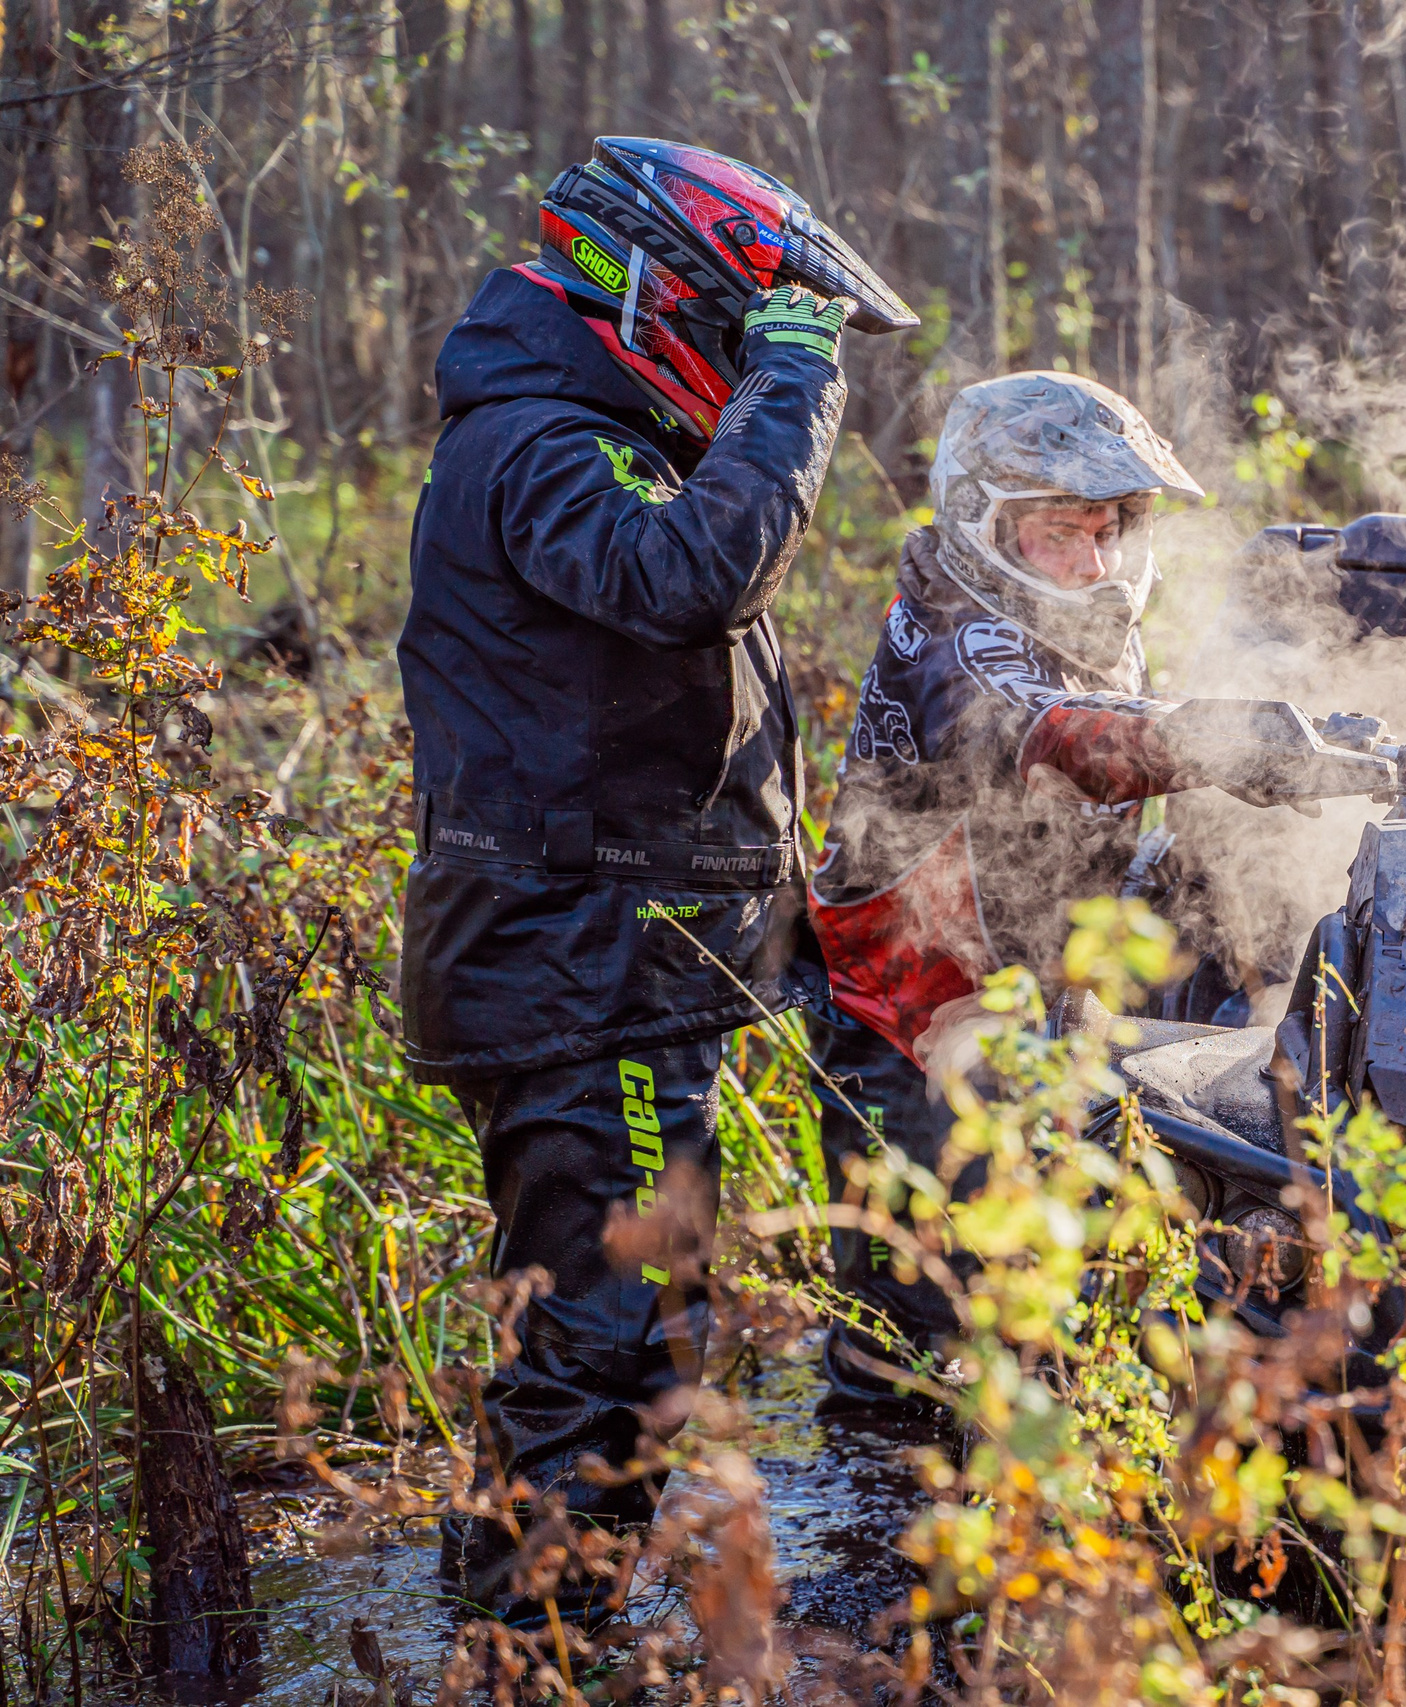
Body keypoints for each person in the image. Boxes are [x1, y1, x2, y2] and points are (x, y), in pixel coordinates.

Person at [397, 135, 913, 1627]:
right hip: (573, 971)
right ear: (661, 293)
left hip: (618, 962)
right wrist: (797, 376)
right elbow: (694, 575)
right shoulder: (537, 442)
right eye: (740, 326)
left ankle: (549, 1627)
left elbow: (661, 700)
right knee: (605, 1335)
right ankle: (524, 1652)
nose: (751, 356)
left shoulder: (581, 438)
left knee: (653, 1333)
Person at [804, 371, 1399, 1410]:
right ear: (987, 525)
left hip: (1025, 1020)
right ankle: (872, 1552)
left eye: (1108, 531)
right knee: (922, 1351)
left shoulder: (1065, 628)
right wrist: (1232, 742)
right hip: (908, 1034)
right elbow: (1068, 740)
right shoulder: (954, 635)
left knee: (1051, 1322)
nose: (1091, 560)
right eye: (1058, 536)